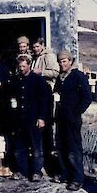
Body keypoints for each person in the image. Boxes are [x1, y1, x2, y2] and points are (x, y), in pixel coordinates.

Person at [54, 51, 92, 191]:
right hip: (60, 118)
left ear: (70, 61)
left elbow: (87, 97)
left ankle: (77, 178)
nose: (62, 64)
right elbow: (57, 93)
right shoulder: (61, 77)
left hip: (72, 119)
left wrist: (76, 112)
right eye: (60, 62)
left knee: (73, 149)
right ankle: (65, 173)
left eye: (64, 61)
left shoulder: (78, 76)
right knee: (61, 147)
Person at [7, 54, 48, 181]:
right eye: (20, 67)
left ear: (29, 65)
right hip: (19, 119)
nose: (22, 69)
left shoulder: (38, 80)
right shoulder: (14, 81)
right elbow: (10, 99)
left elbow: (44, 100)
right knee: (19, 147)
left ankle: (36, 171)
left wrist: (41, 117)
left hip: (33, 118)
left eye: (24, 66)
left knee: (36, 147)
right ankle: (21, 170)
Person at [31, 38, 60, 179]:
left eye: (37, 46)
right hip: (35, 92)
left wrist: (40, 72)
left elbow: (55, 72)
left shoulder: (49, 56)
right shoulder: (33, 57)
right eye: (34, 47)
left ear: (42, 45)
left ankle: (50, 165)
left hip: (46, 91)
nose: (35, 49)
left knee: (46, 128)